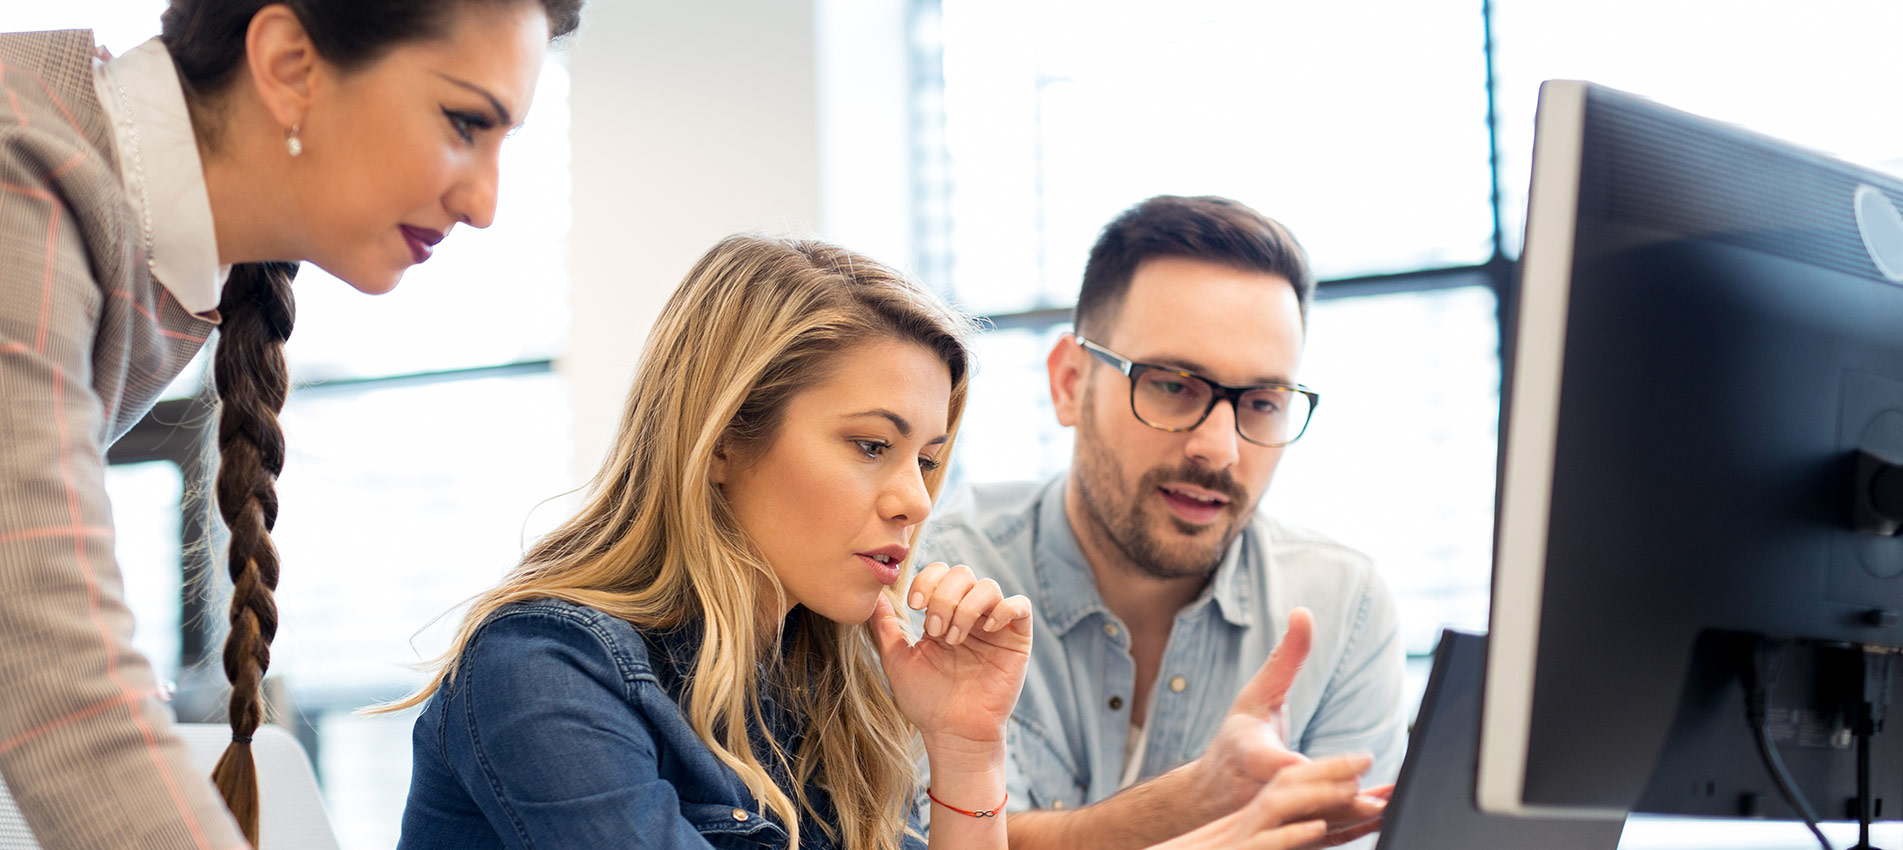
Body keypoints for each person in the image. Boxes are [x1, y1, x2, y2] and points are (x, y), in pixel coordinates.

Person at [387, 234, 1377, 850]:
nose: (913, 500)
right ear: (723, 439)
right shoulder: (543, 672)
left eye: (929, 458)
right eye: (871, 446)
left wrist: (965, 748)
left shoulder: (821, 682)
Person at [0, 2, 581, 847]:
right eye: (464, 122)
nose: (483, 202)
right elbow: (56, 679)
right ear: (287, 64)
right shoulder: (19, 170)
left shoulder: (140, 247)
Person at [916, 195, 1405, 848]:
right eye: (1174, 385)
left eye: (1263, 403)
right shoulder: (936, 576)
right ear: (1070, 383)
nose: (1219, 450)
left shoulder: (1345, 611)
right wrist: (1191, 806)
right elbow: (911, 837)